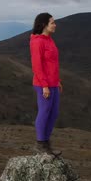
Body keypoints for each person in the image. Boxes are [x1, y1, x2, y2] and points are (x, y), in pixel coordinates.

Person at [30, 12, 63, 156]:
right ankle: (40, 144)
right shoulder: (37, 42)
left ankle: (46, 143)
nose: (55, 25)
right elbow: (37, 66)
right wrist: (44, 85)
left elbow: (52, 64)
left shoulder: (50, 40)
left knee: (54, 113)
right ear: (44, 25)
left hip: (53, 84)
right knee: (44, 112)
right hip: (43, 84)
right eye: (52, 23)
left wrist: (57, 81)